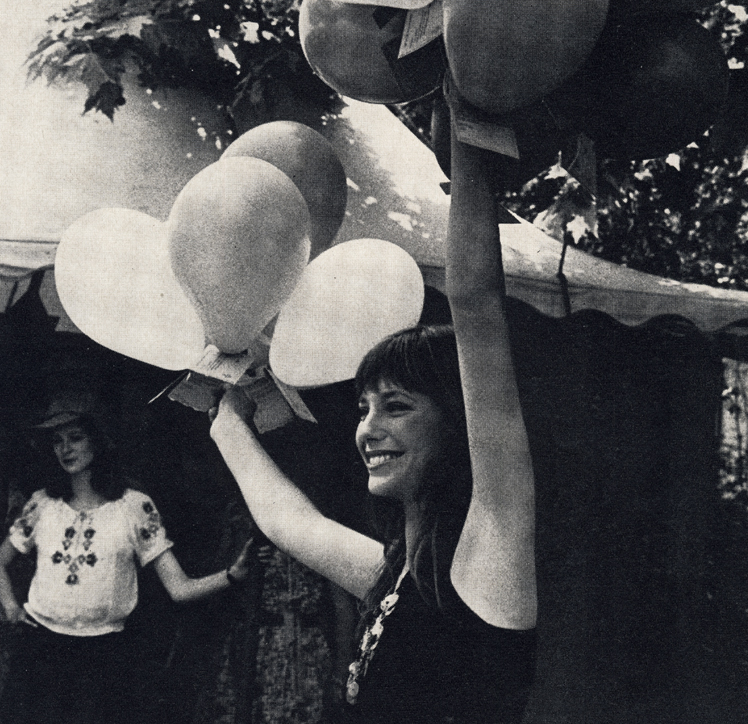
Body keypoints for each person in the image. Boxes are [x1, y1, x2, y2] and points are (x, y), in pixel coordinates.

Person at [210, 119, 538, 724]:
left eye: (397, 406)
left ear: (459, 425)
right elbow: (291, 522)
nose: (368, 429)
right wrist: (227, 415)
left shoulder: (486, 563)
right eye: (364, 408)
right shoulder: (396, 576)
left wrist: (467, 128)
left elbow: (477, 306)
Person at [0, 391, 252, 724]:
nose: (65, 448)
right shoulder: (41, 504)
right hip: (42, 653)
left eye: (75, 437)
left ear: (98, 440)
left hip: (104, 658)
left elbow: (178, 588)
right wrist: (12, 609)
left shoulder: (134, 506)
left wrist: (232, 574)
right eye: (58, 441)